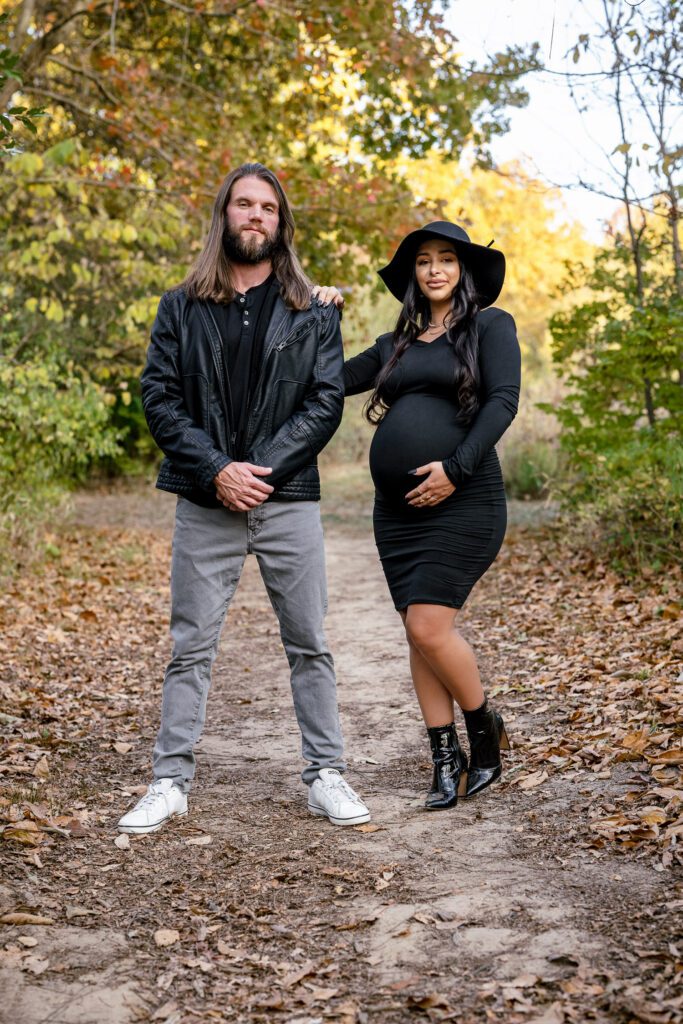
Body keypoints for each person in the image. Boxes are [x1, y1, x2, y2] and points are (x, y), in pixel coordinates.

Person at [118, 162, 370, 834]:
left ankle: (324, 773)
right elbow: (159, 398)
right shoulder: (179, 306)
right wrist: (216, 471)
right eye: (243, 204)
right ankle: (169, 781)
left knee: (309, 642)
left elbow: (323, 402)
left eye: (267, 207)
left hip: (286, 498)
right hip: (206, 501)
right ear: (223, 215)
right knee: (190, 647)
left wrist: (256, 469)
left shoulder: (313, 309)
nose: (255, 215)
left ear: (280, 223)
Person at [343, 221, 520, 810]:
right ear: (414, 275)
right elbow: (331, 378)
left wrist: (456, 468)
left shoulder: (491, 326)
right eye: (423, 261)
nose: (435, 269)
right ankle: (445, 761)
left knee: (428, 628)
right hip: (397, 514)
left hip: (465, 498)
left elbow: (503, 401)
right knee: (418, 634)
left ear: (464, 270)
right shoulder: (396, 343)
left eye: (447, 259)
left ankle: (483, 730)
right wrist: (315, 313)